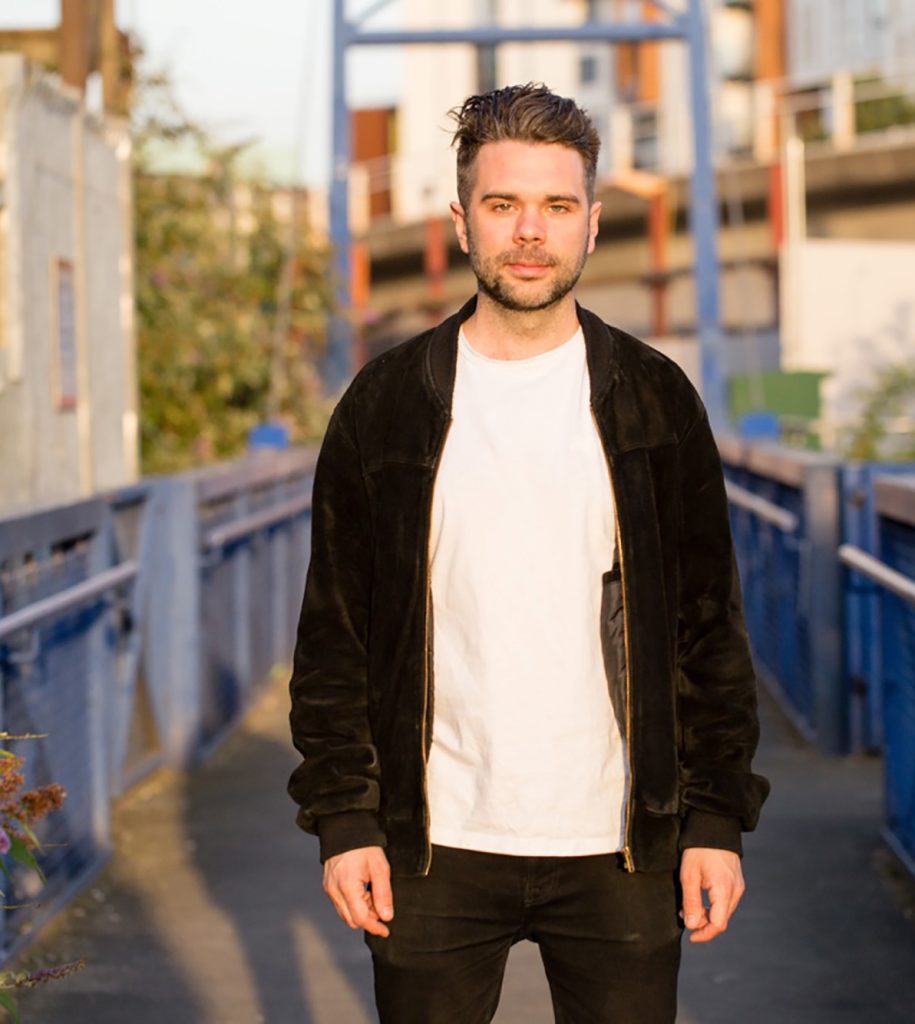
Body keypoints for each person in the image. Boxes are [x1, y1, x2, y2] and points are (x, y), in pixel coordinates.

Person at [287, 82, 770, 1024]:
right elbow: (336, 635)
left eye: (555, 207)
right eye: (504, 206)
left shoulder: (654, 399)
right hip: (432, 846)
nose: (530, 233)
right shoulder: (385, 405)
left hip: (621, 843)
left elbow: (708, 628)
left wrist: (715, 823)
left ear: (591, 224)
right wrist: (345, 821)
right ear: (462, 221)